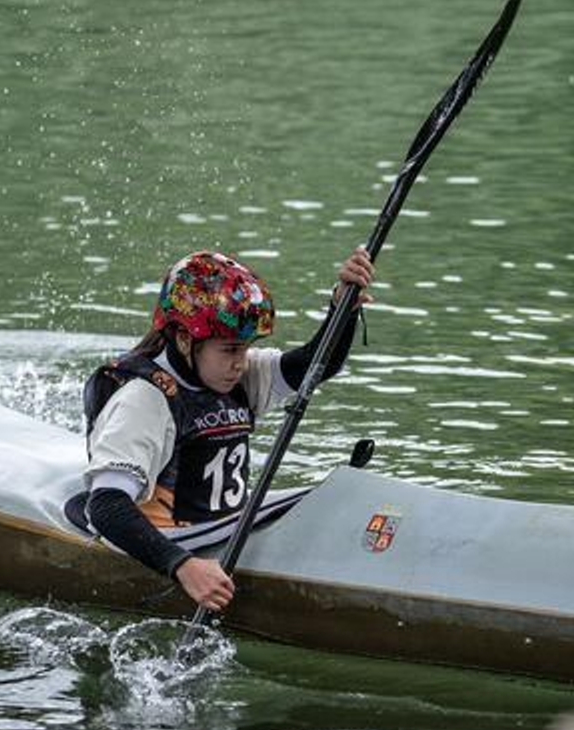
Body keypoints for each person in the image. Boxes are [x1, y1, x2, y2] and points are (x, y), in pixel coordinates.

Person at [80, 247, 375, 612]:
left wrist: (343, 308)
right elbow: (106, 507)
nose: (240, 363)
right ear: (185, 339)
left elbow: (316, 366)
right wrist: (182, 567)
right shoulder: (144, 399)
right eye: (231, 350)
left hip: (222, 528)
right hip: (171, 541)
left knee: (332, 491)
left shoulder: (232, 375)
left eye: (247, 349)